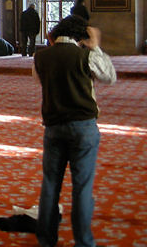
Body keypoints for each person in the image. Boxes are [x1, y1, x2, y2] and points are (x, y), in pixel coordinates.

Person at [33, 15, 116, 247]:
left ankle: (46, 240)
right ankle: (83, 242)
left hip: (53, 126)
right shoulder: (85, 55)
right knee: (82, 187)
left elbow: (41, 80)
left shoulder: (41, 57)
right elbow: (110, 77)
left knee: (50, 184)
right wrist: (95, 47)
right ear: (81, 37)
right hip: (83, 127)